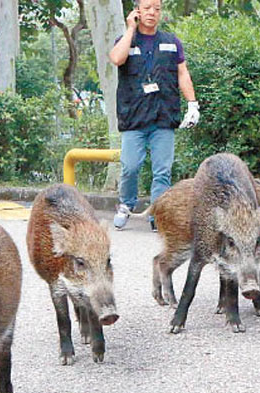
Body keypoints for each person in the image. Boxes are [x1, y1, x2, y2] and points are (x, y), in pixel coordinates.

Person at [109, 0, 199, 231]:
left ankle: (158, 214)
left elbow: (182, 73)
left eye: (157, 9)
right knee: (130, 167)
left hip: (163, 117)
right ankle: (126, 205)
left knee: (162, 171)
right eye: (147, 8)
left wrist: (192, 104)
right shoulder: (126, 40)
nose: (152, 13)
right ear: (138, 11)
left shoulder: (171, 42)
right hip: (134, 117)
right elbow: (117, 59)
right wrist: (130, 28)